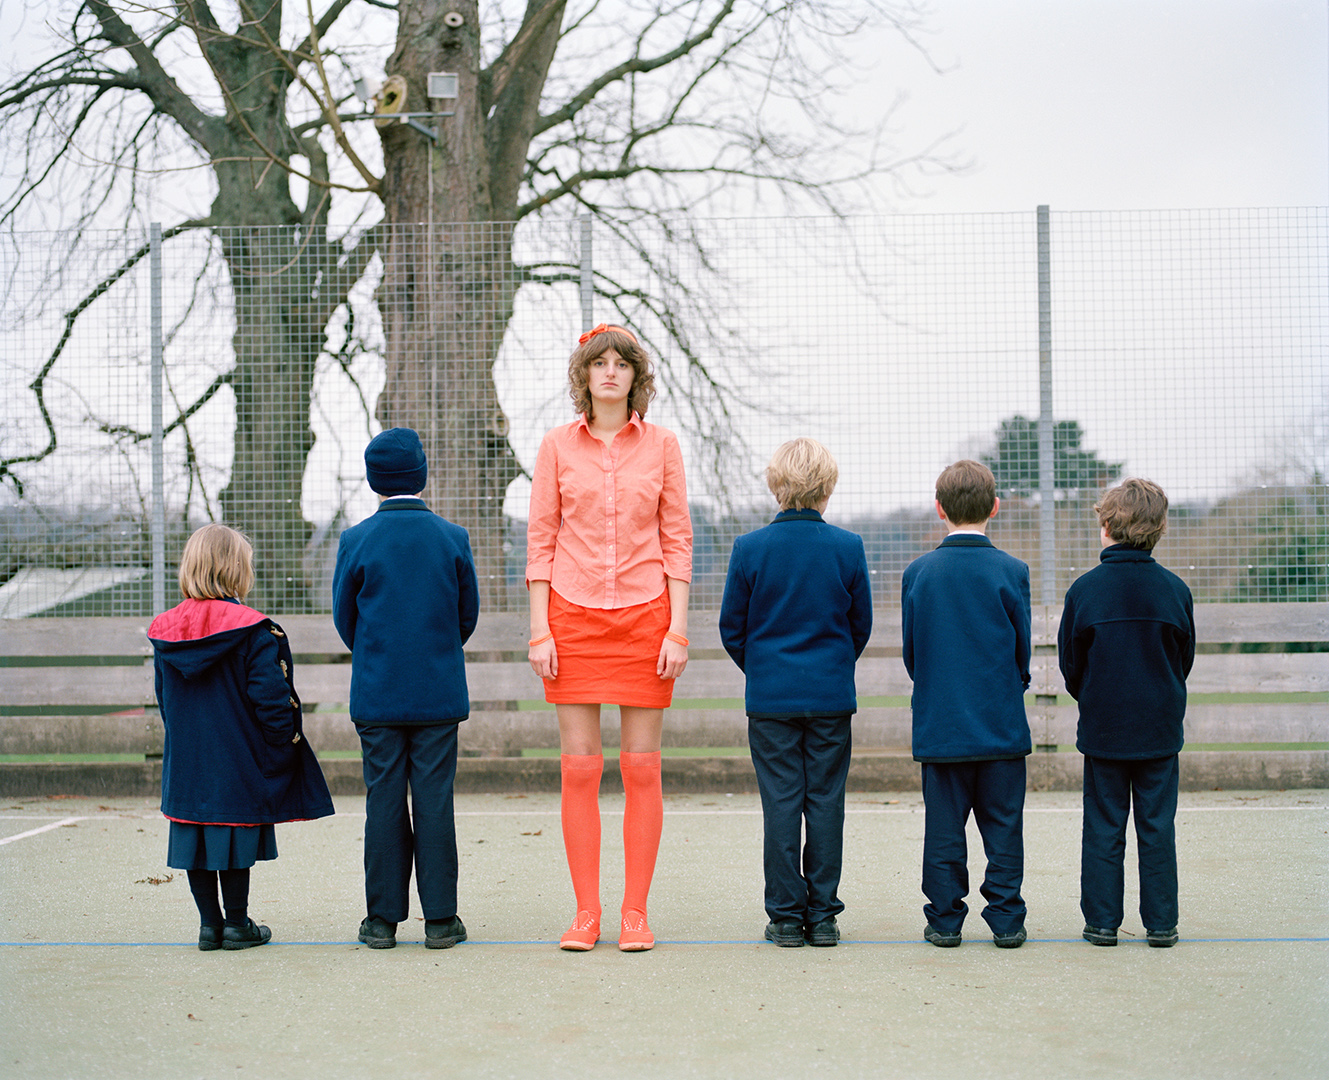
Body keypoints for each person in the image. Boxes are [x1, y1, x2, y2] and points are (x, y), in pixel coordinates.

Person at [527, 323, 693, 953]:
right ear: (585, 375)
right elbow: (541, 541)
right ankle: (586, 913)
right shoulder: (555, 446)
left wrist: (678, 629)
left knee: (642, 770)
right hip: (571, 619)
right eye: (600, 363)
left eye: (622, 363)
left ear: (635, 377)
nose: (611, 372)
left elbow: (677, 540)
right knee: (580, 771)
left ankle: (635, 913)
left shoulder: (664, 445)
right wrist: (540, 629)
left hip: (647, 619)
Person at [149, 524, 334, 951]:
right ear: (236, 569)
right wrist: (282, 748)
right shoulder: (253, 630)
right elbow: (273, 701)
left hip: (188, 757)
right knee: (233, 829)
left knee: (195, 832)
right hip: (238, 755)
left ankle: (208, 926)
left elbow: (165, 700)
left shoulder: (166, 630)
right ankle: (237, 923)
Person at [719, 438, 873, 948]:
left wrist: (764, 670)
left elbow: (732, 628)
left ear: (774, 485)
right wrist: (832, 666)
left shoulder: (750, 549)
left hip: (771, 699)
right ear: (828, 488)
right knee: (826, 802)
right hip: (830, 695)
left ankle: (785, 917)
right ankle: (823, 916)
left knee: (781, 803)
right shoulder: (848, 547)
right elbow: (860, 625)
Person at [332, 427, 480, 950]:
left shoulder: (355, 541)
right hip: (437, 692)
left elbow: (345, 620)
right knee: (435, 800)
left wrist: (380, 653)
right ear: (422, 474)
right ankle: (440, 919)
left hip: (378, 693)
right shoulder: (452, 538)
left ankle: (381, 920)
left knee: (384, 801)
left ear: (374, 480)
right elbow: (466, 616)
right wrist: (434, 651)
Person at [1058, 478, 1195, 948]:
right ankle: (1161, 923)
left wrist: (1095, 697)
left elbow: (1071, 665)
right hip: (1158, 729)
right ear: (1158, 528)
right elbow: (1183, 660)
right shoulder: (1175, 591)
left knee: (1103, 825)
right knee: (1157, 827)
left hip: (1105, 729)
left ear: (1106, 525)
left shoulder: (1084, 591)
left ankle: (1101, 922)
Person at [900, 459, 1032, 949]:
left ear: (940, 509)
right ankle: (1007, 919)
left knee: (943, 831)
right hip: (1000, 724)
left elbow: (913, 652)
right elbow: (1021, 649)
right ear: (994, 507)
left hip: (942, 725)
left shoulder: (918, 573)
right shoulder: (1012, 571)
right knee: (1004, 828)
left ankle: (944, 920)